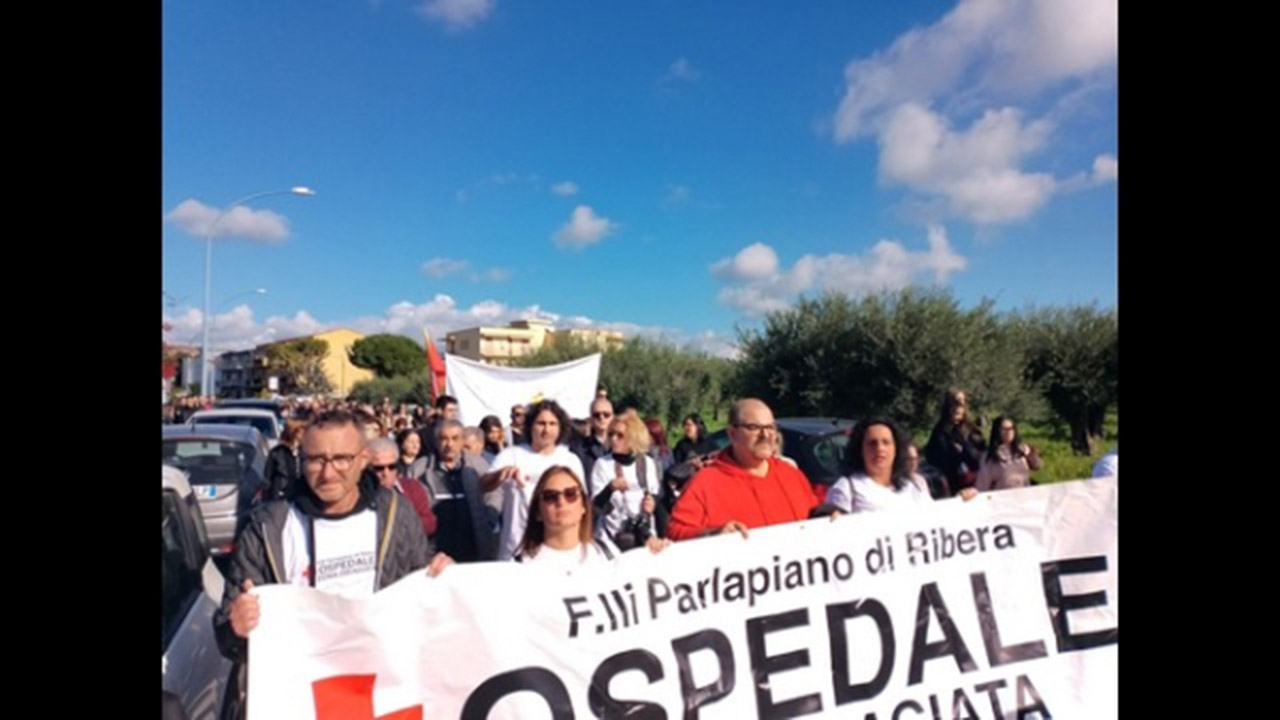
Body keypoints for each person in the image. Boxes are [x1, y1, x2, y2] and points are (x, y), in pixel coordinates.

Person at [213, 410, 452, 720]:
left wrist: (443, 579)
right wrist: (235, 627)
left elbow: (423, 601)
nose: (327, 474)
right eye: (315, 460)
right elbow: (226, 635)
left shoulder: (396, 514)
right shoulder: (268, 526)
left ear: (363, 458)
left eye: (341, 459)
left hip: (382, 695)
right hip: (299, 699)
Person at [667, 399, 828, 540]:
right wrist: (712, 535)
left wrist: (828, 514)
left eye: (770, 427)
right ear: (732, 434)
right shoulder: (705, 482)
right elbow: (675, 532)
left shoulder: (791, 474)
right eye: (754, 427)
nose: (766, 435)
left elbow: (812, 513)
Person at [483, 400, 587, 560]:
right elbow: (483, 485)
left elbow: (582, 505)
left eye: (552, 424)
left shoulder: (570, 460)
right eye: (541, 423)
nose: (546, 429)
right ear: (530, 426)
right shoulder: (511, 455)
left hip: (557, 550)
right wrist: (501, 474)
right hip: (515, 549)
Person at [515, 466, 669, 574]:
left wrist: (660, 556)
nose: (561, 502)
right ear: (537, 512)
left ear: (583, 506)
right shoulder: (521, 567)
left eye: (571, 494)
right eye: (550, 496)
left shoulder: (605, 553)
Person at [591, 411, 668, 550]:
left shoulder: (647, 463)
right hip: (610, 538)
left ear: (633, 437)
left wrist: (652, 503)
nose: (614, 439)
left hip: (643, 537)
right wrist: (610, 489)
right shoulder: (602, 464)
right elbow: (596, 506)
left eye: (620, 435)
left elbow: (654, 494)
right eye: (611, 434)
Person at [828, 418, 939, 513]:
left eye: (886, 442)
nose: (880, 449)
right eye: (872, 443)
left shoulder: (913, 484)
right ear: (860, 450)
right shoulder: (847, 488)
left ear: (896, 449)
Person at [424, 420, 496, 562]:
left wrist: (489, 517)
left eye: (455, 439)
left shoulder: (478, 465)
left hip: (472, 547)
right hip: (436, 549)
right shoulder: (420, 469)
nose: (449, 444)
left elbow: (494, 492)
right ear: (436, 441)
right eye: (444, 439)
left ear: (462, 441)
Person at [368, 438, 436, 536]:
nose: (386, 473)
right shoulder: (360, 493)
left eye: (392, 467)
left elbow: (429, 524)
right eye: (378, 468)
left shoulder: (412, 488)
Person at [924, 389, 986, 497]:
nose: (958, 406)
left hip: (975, 480)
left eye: (962, 402)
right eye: (955, 402)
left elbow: (981, 451)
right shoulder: (941, 431)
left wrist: (965, 449)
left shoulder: (971, 428)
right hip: (952, 484)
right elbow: (935, 456)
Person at [976, 416, 1042, 491]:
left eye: (1011, 428)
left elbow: (1037, 466)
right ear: (997, 431)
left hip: (1025, 495)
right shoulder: (989, 456)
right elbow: (982, 485)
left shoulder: (1023, 450)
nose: (1008, 432)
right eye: (1004, 429)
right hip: (1002, 498)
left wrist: (1033, 455)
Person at [263, 420, 306, 501]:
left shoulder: (306, 451)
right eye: (301, 432)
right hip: (280, 495)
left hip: (300, 497)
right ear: (294, 433)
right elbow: (268, 477)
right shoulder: (277, 452)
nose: (304, 435)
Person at [573, 397, 614, 480]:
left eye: (606, 415)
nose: (601, 418)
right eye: (596, 415)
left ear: (613, 417)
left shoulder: (623, 445)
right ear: (590, 418)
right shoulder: (579, 448)